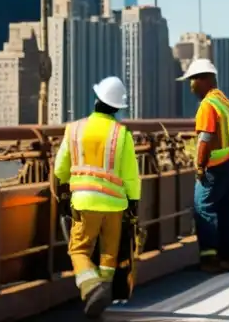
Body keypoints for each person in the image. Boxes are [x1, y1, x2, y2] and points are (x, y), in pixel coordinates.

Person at [53, 76, 140, 319]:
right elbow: (131, 175)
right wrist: (134, 203)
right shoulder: (121, 134)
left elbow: (60, 169)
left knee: (79, 250)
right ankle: (102, 296)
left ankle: (92, 288)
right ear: (117, 108)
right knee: (108, 256)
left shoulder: (75, 129)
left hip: (84, 203)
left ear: (96, 101)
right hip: (115, 205)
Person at [178, 58, 229, 273]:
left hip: (215, 165)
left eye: (192, 80)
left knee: (203, 209)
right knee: (226, 210)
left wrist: (200, 166)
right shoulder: (224, 102)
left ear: (204, 80)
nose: (190, 86)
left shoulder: (207, 105)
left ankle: (209, 259)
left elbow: (205, 138)